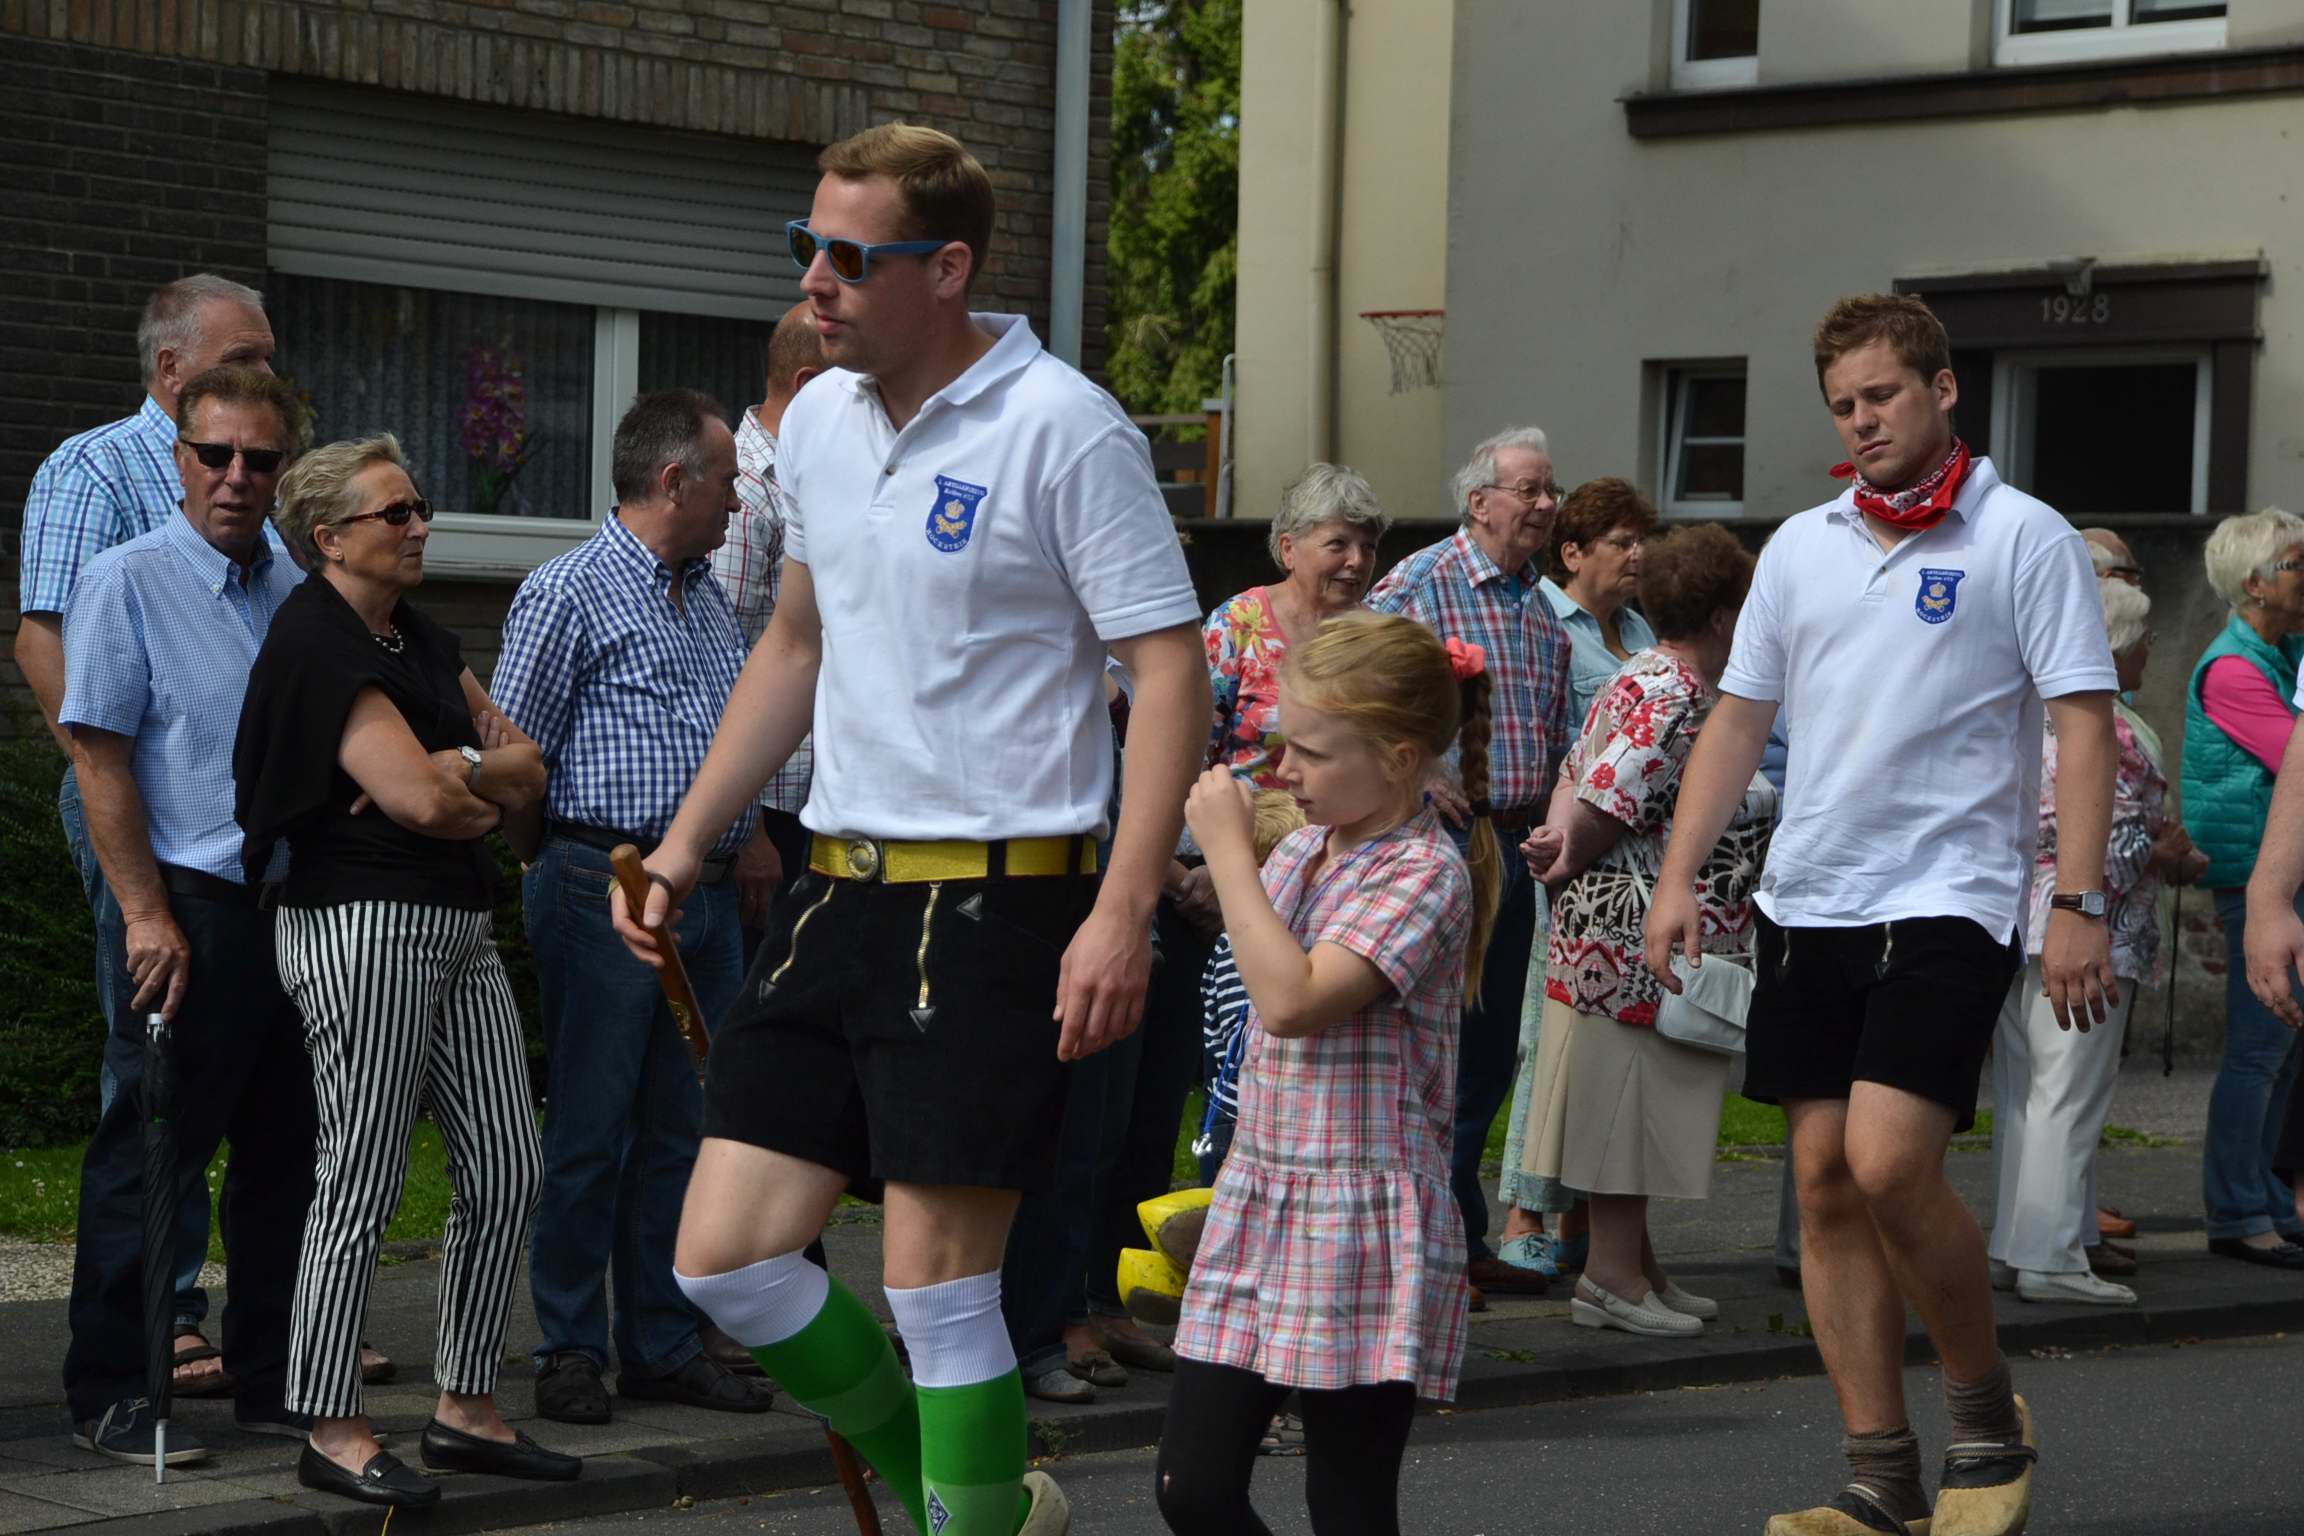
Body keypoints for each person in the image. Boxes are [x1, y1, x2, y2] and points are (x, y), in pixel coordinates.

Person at [617, 124, 1207, 1536]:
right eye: (804, 247)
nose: (812, 281)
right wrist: (688, 842)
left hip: (1002, 901)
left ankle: (970, 1516)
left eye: (847, 255)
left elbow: (1170, 671)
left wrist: (1123, 910)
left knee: (939, 1293)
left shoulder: (1065, 426)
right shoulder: (820, 421)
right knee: (727, 1263)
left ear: (946, 268)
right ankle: (983, 1505)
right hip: (837, 887)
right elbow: (794, 642)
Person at [1645, 293, 2118, 1536]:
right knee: (1820, 1181)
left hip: (1952, 893)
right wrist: (1679, 876)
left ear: (1943, 388)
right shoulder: (1802, 547)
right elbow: (1738, 719)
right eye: (1843, 405)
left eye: (1883, 395)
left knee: (1890, 1161)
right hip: (1812, 895)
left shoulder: (2022, 536)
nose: (1862, 421)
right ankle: (1880, 1479)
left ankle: (1984, 1417)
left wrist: (2075, 900)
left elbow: (2082, 724)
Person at [233, 435, 578, 1506]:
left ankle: (465, 1408)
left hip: (458, 919)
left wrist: (461, 766)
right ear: (330, 538)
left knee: (509, 1166)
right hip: (362, 923)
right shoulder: (317, 641)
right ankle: (329, 1424)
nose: (421, 524)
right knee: (363, 1173)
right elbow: (428, 805)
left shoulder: (416, 636)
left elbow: (527, 766)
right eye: (396, 513)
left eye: (419, 506)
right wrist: (465, 782)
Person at [1153, 611, 1494, 1536]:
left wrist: (1229, 854)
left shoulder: (1423, 873)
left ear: (1399, 758)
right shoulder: (1309, 847)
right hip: (1264, 1197)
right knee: (1194, 1488)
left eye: (1310, 751)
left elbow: (1293, 999)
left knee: (1347, 1507)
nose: (1283, 771)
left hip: (1360, 1220)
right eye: (1280, 744)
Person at [491, 390, 782, 1424]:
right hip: (602, 884)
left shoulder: (704, 599)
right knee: (592, 1125)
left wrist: (746, 834)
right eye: (727, 482)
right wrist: (560, 865)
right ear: (672, 482)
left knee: (686, 1128)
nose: (738, 503)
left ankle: (660, 1341)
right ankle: (570, 1347)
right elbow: (513, 761)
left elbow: (732, 728)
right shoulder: (566, 591)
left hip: (705, 895)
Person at [16, 273, 280, 1399]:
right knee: (157, 1093)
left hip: (254, 864)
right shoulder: (91, 470)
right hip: (147, 823)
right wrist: (107, 784)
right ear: (172, 370)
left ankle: (267, 1344)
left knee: (257, 1103)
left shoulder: (270, 524)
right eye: (244, 355)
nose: (265, 374)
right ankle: (149, 1335)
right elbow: (43, 639)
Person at [57, 366, 316, 1466]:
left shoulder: (295, 581)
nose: (236, 476)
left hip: (293, 911)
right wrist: (143, 913)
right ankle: (115, 1389)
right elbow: (99, 759)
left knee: (285, 1153)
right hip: (188, 910)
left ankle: (268, 1375)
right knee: (153, 1153)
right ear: (180, 460)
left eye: (259, 458)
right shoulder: (125, 579)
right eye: (216, 454)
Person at [1516, 524, 1766, 1338]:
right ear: (1723, 616)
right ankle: (1611, 1279)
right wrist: (1567, 851)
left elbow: (1580, 776)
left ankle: (1637, 1266)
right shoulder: (1676, 693)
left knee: (1636, 1104)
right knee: (1627, 1109)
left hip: (1620, 932)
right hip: (1631, 939)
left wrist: (1563, 849)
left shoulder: (1649, 675)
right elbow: (1609, 798)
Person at [1366, 427, 1574, 1300]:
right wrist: (1422, 773)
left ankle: (1454, 1228)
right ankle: (1422, 1246)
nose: (1546, 504)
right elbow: (1356, 686)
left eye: (1551, 490)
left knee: (1488, 1055)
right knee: (1436, 1046)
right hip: (1448, 845)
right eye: (1530, 490)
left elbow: (1557, 729)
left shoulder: (1541, 604)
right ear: (1478, 501)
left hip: (1521, 846)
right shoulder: (1421, 583)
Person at [1988, 574, 2204, 1309]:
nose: (2150, 649)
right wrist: (2164, 849)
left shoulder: (2032, 712)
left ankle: (2017, 1244)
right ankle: (2049, 1256)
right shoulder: (2108, 729)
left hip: (2020, 917)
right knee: (2069, 1093)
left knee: (2025, 1092)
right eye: (2143, 638)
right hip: (2089, 928)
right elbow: (2111, 841)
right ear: (2110, 649)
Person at [2181, 507, 2304, 1267]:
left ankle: (2265, 1198)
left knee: (2283, 1053)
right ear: (2255, 584)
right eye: (2297, 563)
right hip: (2259, 881)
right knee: (2260, 1053)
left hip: (2277, 874)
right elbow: (2298, 758)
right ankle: (2236, 1211)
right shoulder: (2233, 669)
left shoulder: (2283, 652)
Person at [714, 299, 829, 887]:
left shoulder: (812, 474)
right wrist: (749, 829)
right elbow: (719, 670)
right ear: (808, 386)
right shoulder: (747, 493)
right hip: (773, 806)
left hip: (816, 796)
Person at [1204, 463, 1392, 786]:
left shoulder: (1379, 636)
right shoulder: (1235, 625)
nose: (1357, 561)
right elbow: (1192, 748)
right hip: (1250, 814)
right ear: (1288, 550)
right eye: (1338, 544)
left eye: (1368, 547)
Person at [1196, 790, 1311, 1181]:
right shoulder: (1241, 946)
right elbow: (1247, 1035)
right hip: (1246, 1120)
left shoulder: (1277, 939)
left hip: (1247, 1113)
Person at [1540, 477, 1658, 725]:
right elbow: (1545, 733)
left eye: (1641, 542)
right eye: (1623, 543)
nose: (1638, 554)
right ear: (1572, 555)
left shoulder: (1637, 625)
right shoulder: (1542, 621)